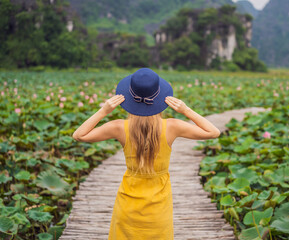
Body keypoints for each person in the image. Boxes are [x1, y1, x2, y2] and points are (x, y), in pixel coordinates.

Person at [72, 68, 220, 239]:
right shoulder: (172, 126)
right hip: (159, 207)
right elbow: (213, 132)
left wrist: (104, 111)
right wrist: (186, 110)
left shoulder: (119, 127)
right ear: (160, 97)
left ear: (128, 97)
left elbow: (79, 135)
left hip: (128, 204)